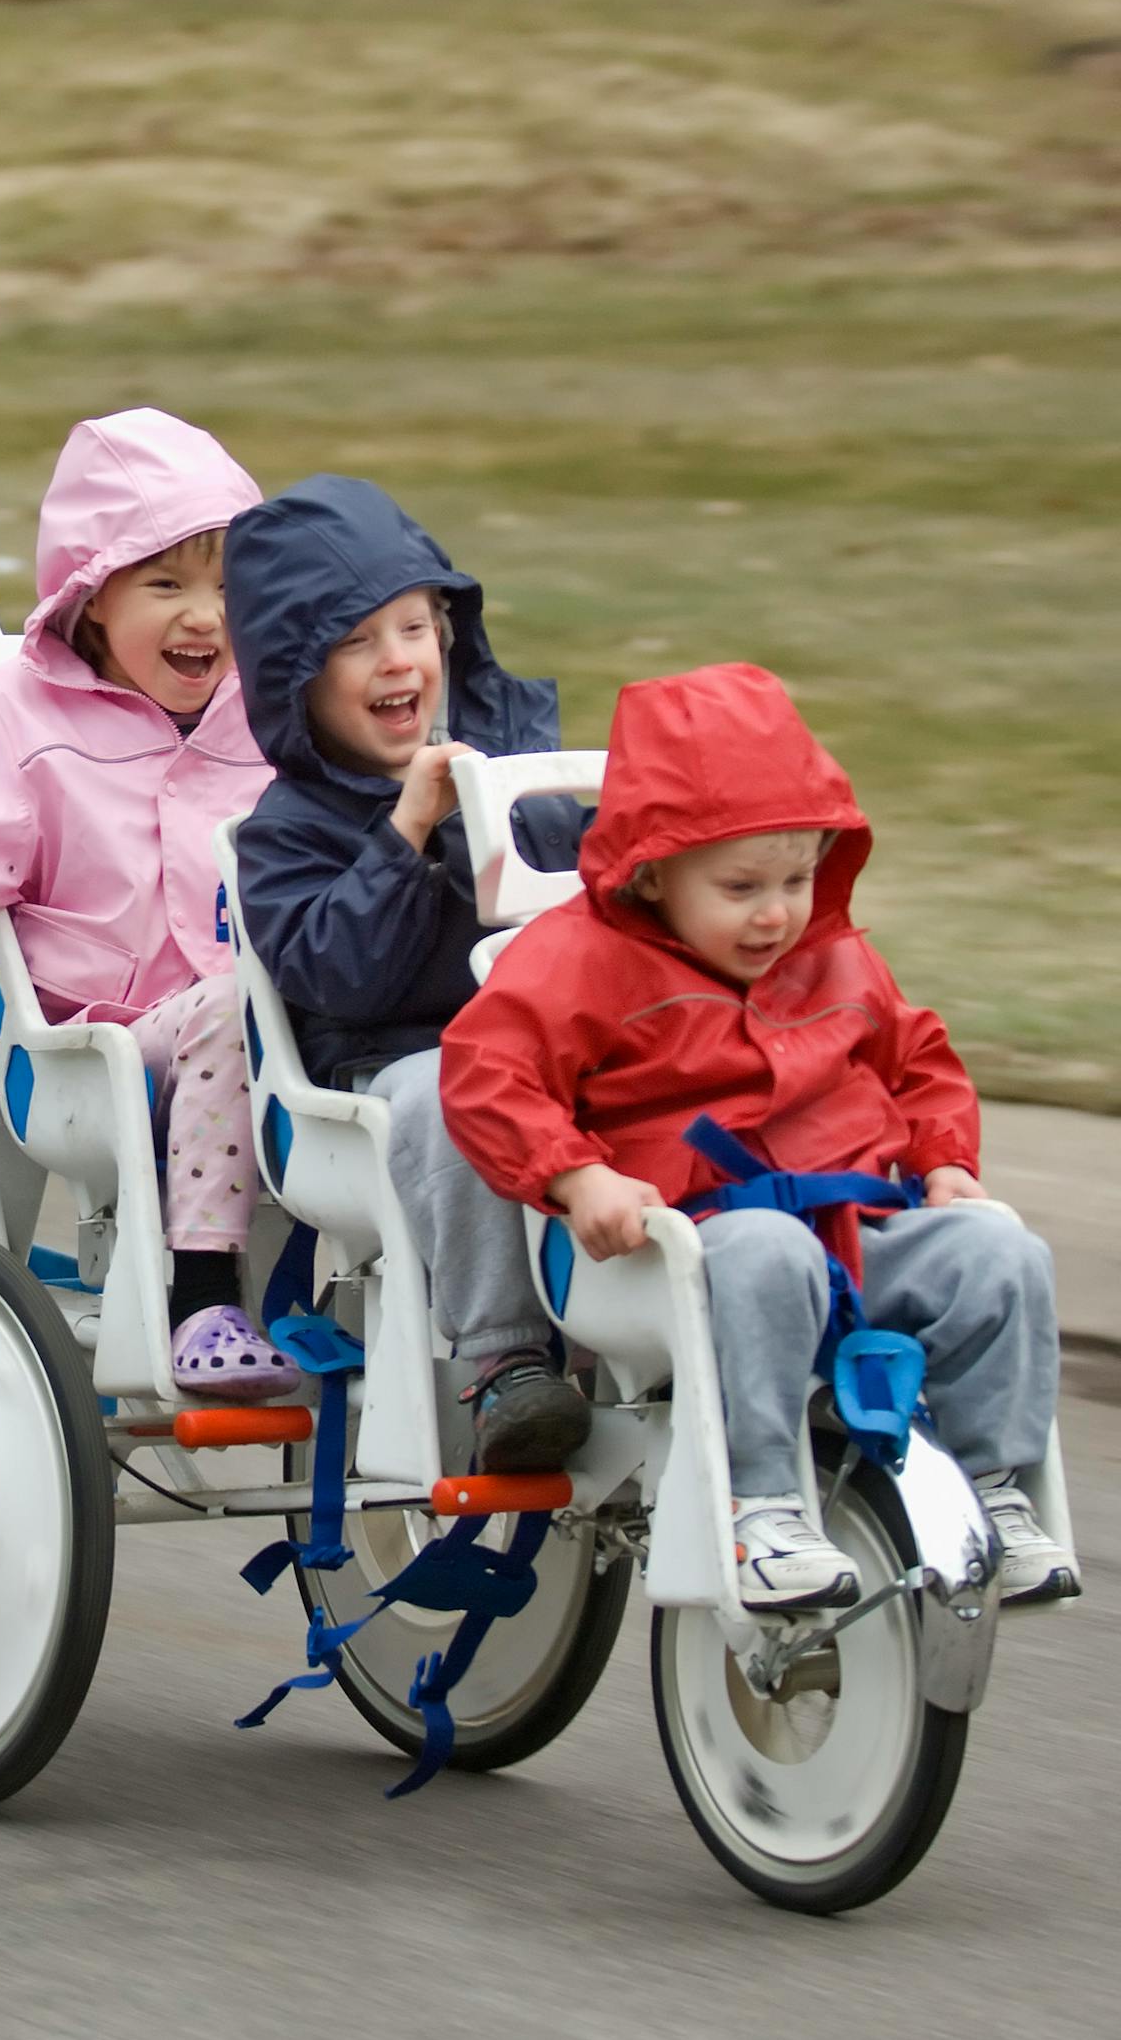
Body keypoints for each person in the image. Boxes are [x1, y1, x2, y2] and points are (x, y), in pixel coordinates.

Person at [440, 662, 1079, 1611]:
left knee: (1000, 1252)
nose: (777, 911)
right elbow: (487, 1073)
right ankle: (761, 1502)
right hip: (662, 1254)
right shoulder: (580, 957)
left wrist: (945, 1161)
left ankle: (993, 1487)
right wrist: (578, 1176)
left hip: (854, 1236)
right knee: (769, 1251)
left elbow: (920, 1060)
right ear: (653, 870)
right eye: (741, 885)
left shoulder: (832, 953)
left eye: (797, 876)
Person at [0, 408, 296, 1401]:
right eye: (166, 583)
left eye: (225, 584)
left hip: (256, 1026)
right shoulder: (25, 717)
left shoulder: (264, 712)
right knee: (228, 1013)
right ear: (93, 597)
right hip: (83, 1046)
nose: (206, 613)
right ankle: (201, 1294)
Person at [224, 476, 591, 1470]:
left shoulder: (511, 766)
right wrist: (409, 829)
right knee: (453, 1088)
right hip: (375, 1082)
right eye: (356, 642)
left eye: (416, 629)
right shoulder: (283, 833)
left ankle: (673, 1307)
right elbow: (338, 977)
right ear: (295, 674)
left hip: (531, 1044)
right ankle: (502, 1357)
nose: (397, 660)